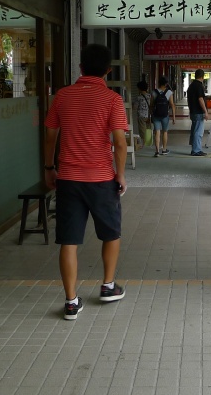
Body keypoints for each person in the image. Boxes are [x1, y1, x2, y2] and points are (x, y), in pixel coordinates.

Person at [44, 44, 128, 321]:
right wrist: (120, 174)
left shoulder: (62, 96)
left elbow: (50, 137)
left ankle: (70, 302)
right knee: (111, 233)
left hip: (68, 179)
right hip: (102, 179)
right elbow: (119, 142)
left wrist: (49, 168)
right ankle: (108, 286)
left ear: (80, 68)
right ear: (108, 71)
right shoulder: (112, 99)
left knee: (69, 240)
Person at [151, 76, 176, 156]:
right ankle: (164, 150)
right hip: (165, 115)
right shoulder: (169, 92)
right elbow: (172, 105)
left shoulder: (154, 92)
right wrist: (174, 117)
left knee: (157, 132)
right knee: (165, 132)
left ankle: (157, 151)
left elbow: (151, 105)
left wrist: (149, 115)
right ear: (166, 84)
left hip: (156, 115)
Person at [187, 69, 208, 156]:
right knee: (198, 132)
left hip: (193, 111)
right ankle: (196, 150)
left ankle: (194, 147)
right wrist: (205, 111)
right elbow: (200, 99)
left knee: (194, 130)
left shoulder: (191, 86)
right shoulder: (199, 86)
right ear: (202, 77)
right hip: (198, 112)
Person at [134, 80, 152, 150]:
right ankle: (149, 142)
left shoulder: (138, 97)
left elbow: (135, 107)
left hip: (141, 116)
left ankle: (143, 143)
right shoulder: (150, 96)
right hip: (149, 115)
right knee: (148, 129)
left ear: (139, 88)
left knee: (142, 130)